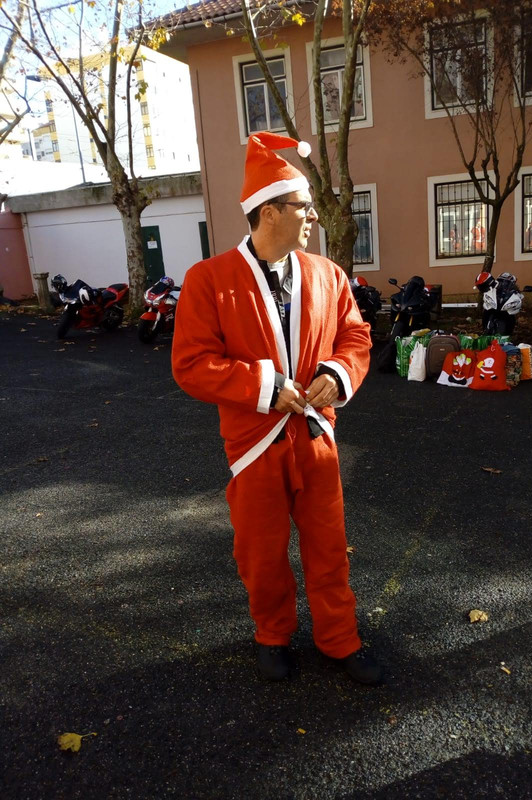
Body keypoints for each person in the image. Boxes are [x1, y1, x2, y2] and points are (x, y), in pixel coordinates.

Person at [171, 131, 381, 685]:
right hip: (254, 445)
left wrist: (337, 376)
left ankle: (339, 639)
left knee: (329, 547)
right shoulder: (207, 281)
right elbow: (191, 364)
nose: (313, 216)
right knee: (261, 555)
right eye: (303, 206)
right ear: (268, 211)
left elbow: (355, 339)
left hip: (315, 438)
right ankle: (272, 635)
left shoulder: (328, 275)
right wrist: (265, 387)